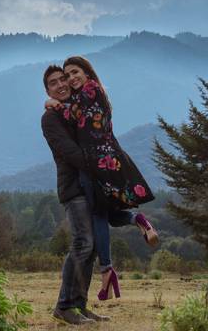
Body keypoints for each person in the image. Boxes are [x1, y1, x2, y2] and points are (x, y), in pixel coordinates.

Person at [49, 56, 159, 301]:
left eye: (75, 72)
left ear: (87, 72)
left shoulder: (90, 91)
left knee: (98, 214)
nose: (71, 78)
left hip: (96, 164)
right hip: (108, 160)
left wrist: (54, 104)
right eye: (67, 76)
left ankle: (106, 270)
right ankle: (136, 219)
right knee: (105, 213)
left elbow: (71, 112)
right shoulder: (94, 93)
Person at [40, 65, 105, 325]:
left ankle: (79, 305)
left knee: (91, 249)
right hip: (73, 188)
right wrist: (102, 167)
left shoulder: (74, 110)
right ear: (48, 90)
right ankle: (64, 306)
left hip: (91, 187)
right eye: (53, 83)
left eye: (63, 79)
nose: (61, 84)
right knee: (82, 244)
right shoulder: (50, 119)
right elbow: (71, 152)